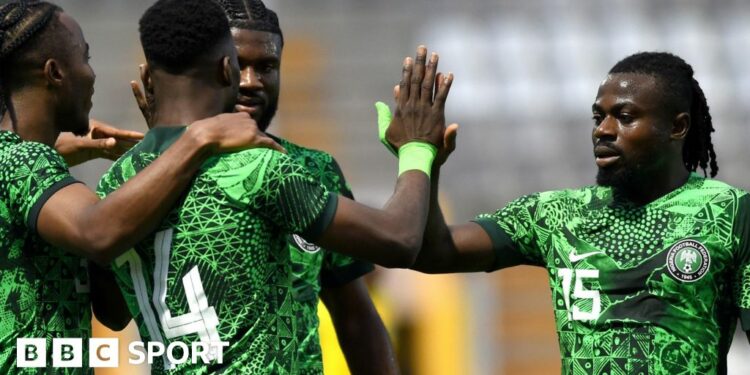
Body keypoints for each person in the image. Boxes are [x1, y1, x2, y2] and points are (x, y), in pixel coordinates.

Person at [95, 0, 452, 372]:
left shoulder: (313, 169)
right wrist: (416, 149)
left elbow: (355, 317)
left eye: (266, 67)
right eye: (239, 64)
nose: (250, 83)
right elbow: (400, 240)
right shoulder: (258, 169)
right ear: (220, 67)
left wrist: (163, 141)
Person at [397, 51, 749, 374]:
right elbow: (433, 252)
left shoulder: (732, 212)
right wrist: (422, 158)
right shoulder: (555, 215)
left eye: (624, 117)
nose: (603, 130)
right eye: (599, 117)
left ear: (677, 127)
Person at [0, 0, 280, 371]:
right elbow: (97, 232)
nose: (93, 74)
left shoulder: (25, 161)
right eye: (85, 57)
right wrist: (196, 140)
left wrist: (158, 155)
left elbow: (112, 307)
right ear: (54, 73)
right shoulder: (24, 161)